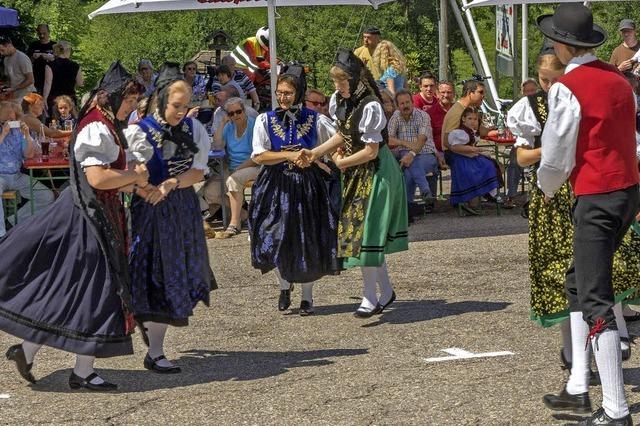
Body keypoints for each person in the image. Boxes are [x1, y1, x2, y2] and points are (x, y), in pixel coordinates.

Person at [0, 62, 147, 390]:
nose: (131, 107)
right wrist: (134, 176)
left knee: (75, 287)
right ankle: (78, 369)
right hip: (85, 216)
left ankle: (34, 352)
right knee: (93, 289)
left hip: (96, 213)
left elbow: (112, 180)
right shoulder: (96, 127)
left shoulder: (106, 123)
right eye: (129, 100)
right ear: (112, 97)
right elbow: (97, 178)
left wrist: (134, 182)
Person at [507, 49, 639, 390]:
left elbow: (561, 157)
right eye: (545, 81)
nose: (550, 86)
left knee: (601, 274)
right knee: (567, 280)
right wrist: (553, 157)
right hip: (557, 197)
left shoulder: (576, 89)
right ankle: (577, 367)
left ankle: (610, 358)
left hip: (582, 190)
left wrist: (560, 155)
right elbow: (527, 157)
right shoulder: (532, 106)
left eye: (554, 79)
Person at [536, 5, 639, 424]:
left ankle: (615, 410)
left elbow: (557, 153)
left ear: (562, 44)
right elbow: (631, 136)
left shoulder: (567, 87)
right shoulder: (619, 80)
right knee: (579, 282)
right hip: (627, 189)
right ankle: (579, 386)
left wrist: (545, 188)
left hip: (596, 195)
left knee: (594, 297)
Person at [127, 63, 216, 374]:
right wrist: (146, 190)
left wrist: (170, 183)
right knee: (152, 275)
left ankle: (155, 350)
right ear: (162, 100)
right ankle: (150, 344)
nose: (182, 111)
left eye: (186, 105)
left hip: (181, 209)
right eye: (176, 105)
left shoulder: (194, 130)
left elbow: (198, 170)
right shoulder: (138, 132)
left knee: (174, 275)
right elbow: (128, 175)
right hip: (149, 211)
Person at [308, 49, 408, 317]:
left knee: (368, 234)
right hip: (355, 169)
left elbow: (371, 151)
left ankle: (370, 297)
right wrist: (316, 153)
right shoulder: (342, 100)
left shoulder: (371, 105)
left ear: (355, 80)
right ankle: (385, 292)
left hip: (377, 171)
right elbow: (343, 133)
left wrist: (340, 163)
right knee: (363, 233)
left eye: (342, 81)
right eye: (335, 82)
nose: (337, 87)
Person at [250, 64, 339, 316]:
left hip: (306, 186)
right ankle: (284, 284)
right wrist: (288, 155)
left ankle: (307, 298)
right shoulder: (264, 120)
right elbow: (259, 155)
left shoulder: (316, 119)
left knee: (305, 239)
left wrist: (318, 159)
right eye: (279, 93)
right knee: (273, 237)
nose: (282, 97)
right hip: (275, 185)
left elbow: (336, 142)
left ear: (298, 94)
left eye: (288, 93)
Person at [206, 97, 259, 239]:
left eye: (238, 112)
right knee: (210, 192)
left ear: (244, 111)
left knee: (233, 181)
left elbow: (257, 155)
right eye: (231, 114)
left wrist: (239, 169)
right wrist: (222, 123)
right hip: (232, 169)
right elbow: (217, 146)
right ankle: (244, 214)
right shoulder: (229, 127)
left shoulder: (254, 126)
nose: (235, 116)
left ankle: (234, 224)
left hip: (253, 166)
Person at [0, 101, 53, 237]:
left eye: (12, 114)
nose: (10, 117)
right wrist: (3, 134)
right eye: (7, 115)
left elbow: (29, 154)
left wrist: (27, 136)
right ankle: (1, 234)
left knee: (47, 196)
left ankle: (12, 222)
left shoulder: (18, 132)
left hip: (16, 175)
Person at [388, 89, 441, 214]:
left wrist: (411, 154)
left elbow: (421, 140)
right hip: (405, 154)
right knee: (409, 171)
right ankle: (424, 193)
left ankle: (408, 205)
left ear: (412, 102)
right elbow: (388, 139)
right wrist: (404, 143)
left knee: (411, 164)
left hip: (426, 154)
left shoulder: (423, 116)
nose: (405, 106)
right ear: (397, 105)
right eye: (402, 103)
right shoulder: (396, 116)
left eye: (407, 102)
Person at [447, 107, 503, 215]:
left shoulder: (471, 132)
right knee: (478, 169)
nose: (473, 122)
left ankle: (487, 193)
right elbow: (455, 148)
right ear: (463, 119)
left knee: (492, 165)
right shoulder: (459, 133)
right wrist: (474, 149)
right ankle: (474, 198)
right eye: (470, 119)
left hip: (469, 156)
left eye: (475, 119)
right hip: (461, 158)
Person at [42, 41, 83, 112]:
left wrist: (44, 98)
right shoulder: (75, 66)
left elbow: (48, 83)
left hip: (55, 99)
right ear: (68, 51)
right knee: (70, 121)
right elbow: (80, 83)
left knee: (54, 121)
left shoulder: (50, 65)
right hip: (70, 99)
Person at [0, 36, 36, 104]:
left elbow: (30, 80)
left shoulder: (22, 58)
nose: (1, 53)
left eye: (2, 50)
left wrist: (14, 88)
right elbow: (9, 79)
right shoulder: (6, 59)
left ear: (9, 45)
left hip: (27, 96)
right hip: (15, 97)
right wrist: (4, 86)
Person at [26, 24, 55, 95]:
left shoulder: (54, 45)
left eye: (44, 33)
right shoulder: (33, 45)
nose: (42, 36)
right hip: (36, 79)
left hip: (52, 80)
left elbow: (60, 61)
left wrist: (49, 57)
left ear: (49, 32)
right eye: (39, 34)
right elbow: (27, 62)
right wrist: (33, 57)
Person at [428, 80, 455, 155]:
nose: (446, 95)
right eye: (443, 92)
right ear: (437, 94)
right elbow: (427, 139)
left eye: (449, 92)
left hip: (459, 150)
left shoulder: (459, 111)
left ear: (454, 94)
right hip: (439, 153)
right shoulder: (429, 114)